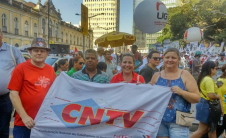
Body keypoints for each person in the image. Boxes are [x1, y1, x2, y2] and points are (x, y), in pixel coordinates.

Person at [8, 37, 56, 138]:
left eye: (42, 51)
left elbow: (54, 93)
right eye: (36, 50)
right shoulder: (20, 68)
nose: (39, 53)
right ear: (30, 52)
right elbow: (13, 94)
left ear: (47, 53)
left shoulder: (50, 70)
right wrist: (24, 116)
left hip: (44, 122)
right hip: (24, 123)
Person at [150, 48, 200, 138]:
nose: (170, 60)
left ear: (179, 60)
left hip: (180, 121)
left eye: (173, 57)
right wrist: (141, 87)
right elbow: (149, 95)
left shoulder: (185, 75)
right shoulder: (157, 75)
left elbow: (197, 98)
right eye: (167, 57)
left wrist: (182, 92)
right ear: (163, 59)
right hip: (159, 120)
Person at [0, 28, 25, 138]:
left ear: (1, 35)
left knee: (3, 129)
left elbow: (24, 71)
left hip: (5, 98)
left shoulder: (13, 51)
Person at [191, 61, 223, 138]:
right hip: (207, 105)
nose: (216, 70)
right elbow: (211, 95)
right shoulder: (209, 80)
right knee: (202, 130)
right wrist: (218, 97)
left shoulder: (204, 78)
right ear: (211, 69)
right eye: (216, 68)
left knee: (212, 129)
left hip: (204, 104)